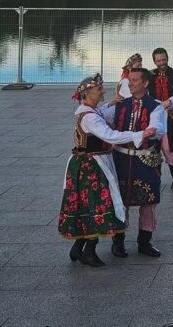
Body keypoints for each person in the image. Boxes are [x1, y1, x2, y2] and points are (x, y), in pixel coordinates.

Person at [58, 74, 157, 267]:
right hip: (91, 167)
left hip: (91, 164)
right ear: (87, 94)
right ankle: (88, 251)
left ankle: (78, 248)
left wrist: (112, 104)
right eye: (99, 89)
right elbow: (109, 135)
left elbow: (102, 114)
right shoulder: (91, 118)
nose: (102, 91)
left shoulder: (89, 111)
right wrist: (139, 134)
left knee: (87, 206)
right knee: (97, 205)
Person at [101, 67, 167, 258]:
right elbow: (99, 118)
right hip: (121, 158)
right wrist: (106, 105)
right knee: (120, 199)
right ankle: (118, 242)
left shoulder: (155, 106)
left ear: (145, 83)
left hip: (145, 159)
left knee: (149, 201)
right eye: (129, 80)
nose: (130, 84)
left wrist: (152, 129)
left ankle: (144, 242)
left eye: (135, 80)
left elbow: (159, 127)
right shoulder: (121, 104)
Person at [151, 47, 173, 190]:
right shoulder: (149, 75)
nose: (161, 63)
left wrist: (169, 101)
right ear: (154, 61)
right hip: (154, 115)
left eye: (163, 59)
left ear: (167, 58)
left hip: (171, 114)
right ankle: (156, 178)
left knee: (168, 146)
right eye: (158, 60)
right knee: (154, 146)